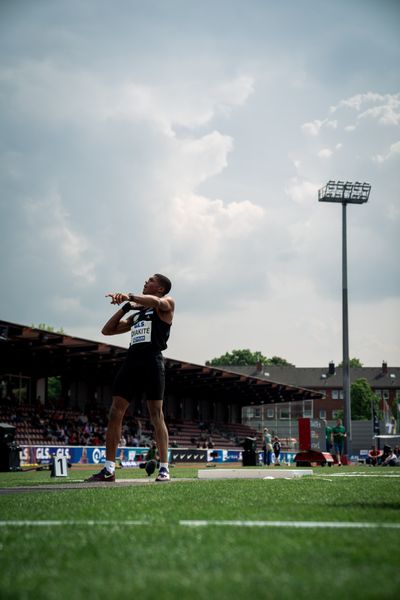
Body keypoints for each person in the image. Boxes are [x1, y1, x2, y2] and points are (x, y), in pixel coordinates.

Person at [86, 273, 174, 483]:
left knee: (156, 415)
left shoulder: (166, 303)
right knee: (115, 412)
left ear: (160, 288)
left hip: (153, 362)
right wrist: (127, 307)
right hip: (132, 363)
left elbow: (155, 302)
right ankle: (109, 469)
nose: (146, 281)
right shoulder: (137, 316)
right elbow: (107, 331)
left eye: (151, 280)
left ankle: (164, 468)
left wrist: (129, 296)